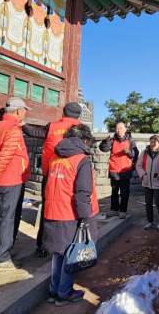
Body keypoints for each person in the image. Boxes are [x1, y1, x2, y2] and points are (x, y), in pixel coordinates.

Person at [42, 124, 99, 306]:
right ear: (84, 140)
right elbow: (83, 192)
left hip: (53, 210)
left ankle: (54, 289)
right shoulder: (81, 160)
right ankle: (64, 292)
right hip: (70, 213)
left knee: (58, 253)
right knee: (71, 254)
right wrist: (85, 217)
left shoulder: (54, 156)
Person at [21, 102, 83, 258]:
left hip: (52, 174)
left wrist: (22, 124)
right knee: (73, 210)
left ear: (63, 113)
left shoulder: (52, 126)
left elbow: (34, 132)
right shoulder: (83, 129)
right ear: (79, 115)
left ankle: (43, 246)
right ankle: (72, 245)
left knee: (48, 210)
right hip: (75, 174)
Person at [0, 98, 31, 271]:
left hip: (2, 178)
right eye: (25, 110)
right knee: (8, 218)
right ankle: (0, 259)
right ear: (18, 111)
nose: (26, 112)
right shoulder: (12, 129)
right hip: (11, 179)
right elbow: (6, 155)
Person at [99, 122, 139, 219]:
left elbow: (136, 153)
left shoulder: (130, 140)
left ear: (125, 130)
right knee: (114, 191)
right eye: (117, 128)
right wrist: (106, 142)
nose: (119, 130)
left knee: (125, 192)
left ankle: (123, 211)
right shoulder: (112, 140)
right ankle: (114, 210)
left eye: (121, 128)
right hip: (114, 169)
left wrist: (129, 152)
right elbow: (103, 149)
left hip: (125, 170)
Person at [135, 134, 159, 231]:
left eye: (155, 142)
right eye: (151, 142)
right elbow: (138, 165)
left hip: (158, 182)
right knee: (148, 202)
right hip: (147, 182)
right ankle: (150, 221)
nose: (153, 144)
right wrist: (143, 175)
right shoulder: (145, 153)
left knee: (158, 201)